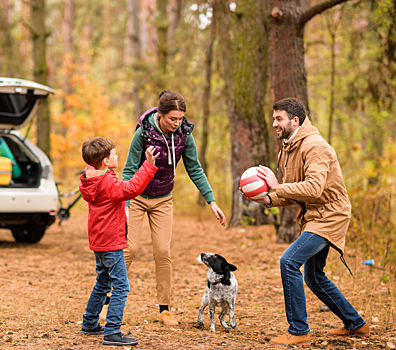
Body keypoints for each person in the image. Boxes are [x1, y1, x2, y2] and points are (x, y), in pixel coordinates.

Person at [245, 98, 368, 346]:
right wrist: (268, 199)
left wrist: (277, 186)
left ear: (295, 120)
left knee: (289, 261)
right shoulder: (288, 148)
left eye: (279, 119)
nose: (274, 124)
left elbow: (312, 189)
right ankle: (356, 323)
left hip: (330, 216)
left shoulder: (316, 147)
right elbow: (294, 192)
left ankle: (299, 331)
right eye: (274, 118)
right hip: (314, 215)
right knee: (314, 277)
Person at [120, 90, 227, 326]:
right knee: (130, 249)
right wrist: (125, 204)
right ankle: (110, 303)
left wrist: (211, 201)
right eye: (172, 119)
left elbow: (195, 169)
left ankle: (164, 309)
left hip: (163, 200)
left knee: (162, 252)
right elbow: (128, 170)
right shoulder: (143, 133)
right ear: (160, 114)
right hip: (137, 197)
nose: (177, 123)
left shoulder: (184, 136)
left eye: (180, 119)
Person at [79, 137, 159, 346]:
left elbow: (95, 164)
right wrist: (148, 165)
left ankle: (89, 322)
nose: (117, 156)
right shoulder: (107, 181)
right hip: (111, 242)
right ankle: (112, 330)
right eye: (114, 154)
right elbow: (131, 188)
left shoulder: (90, 178)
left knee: (103, 282)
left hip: (99, 240)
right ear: (105, 161)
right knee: (121, 287)